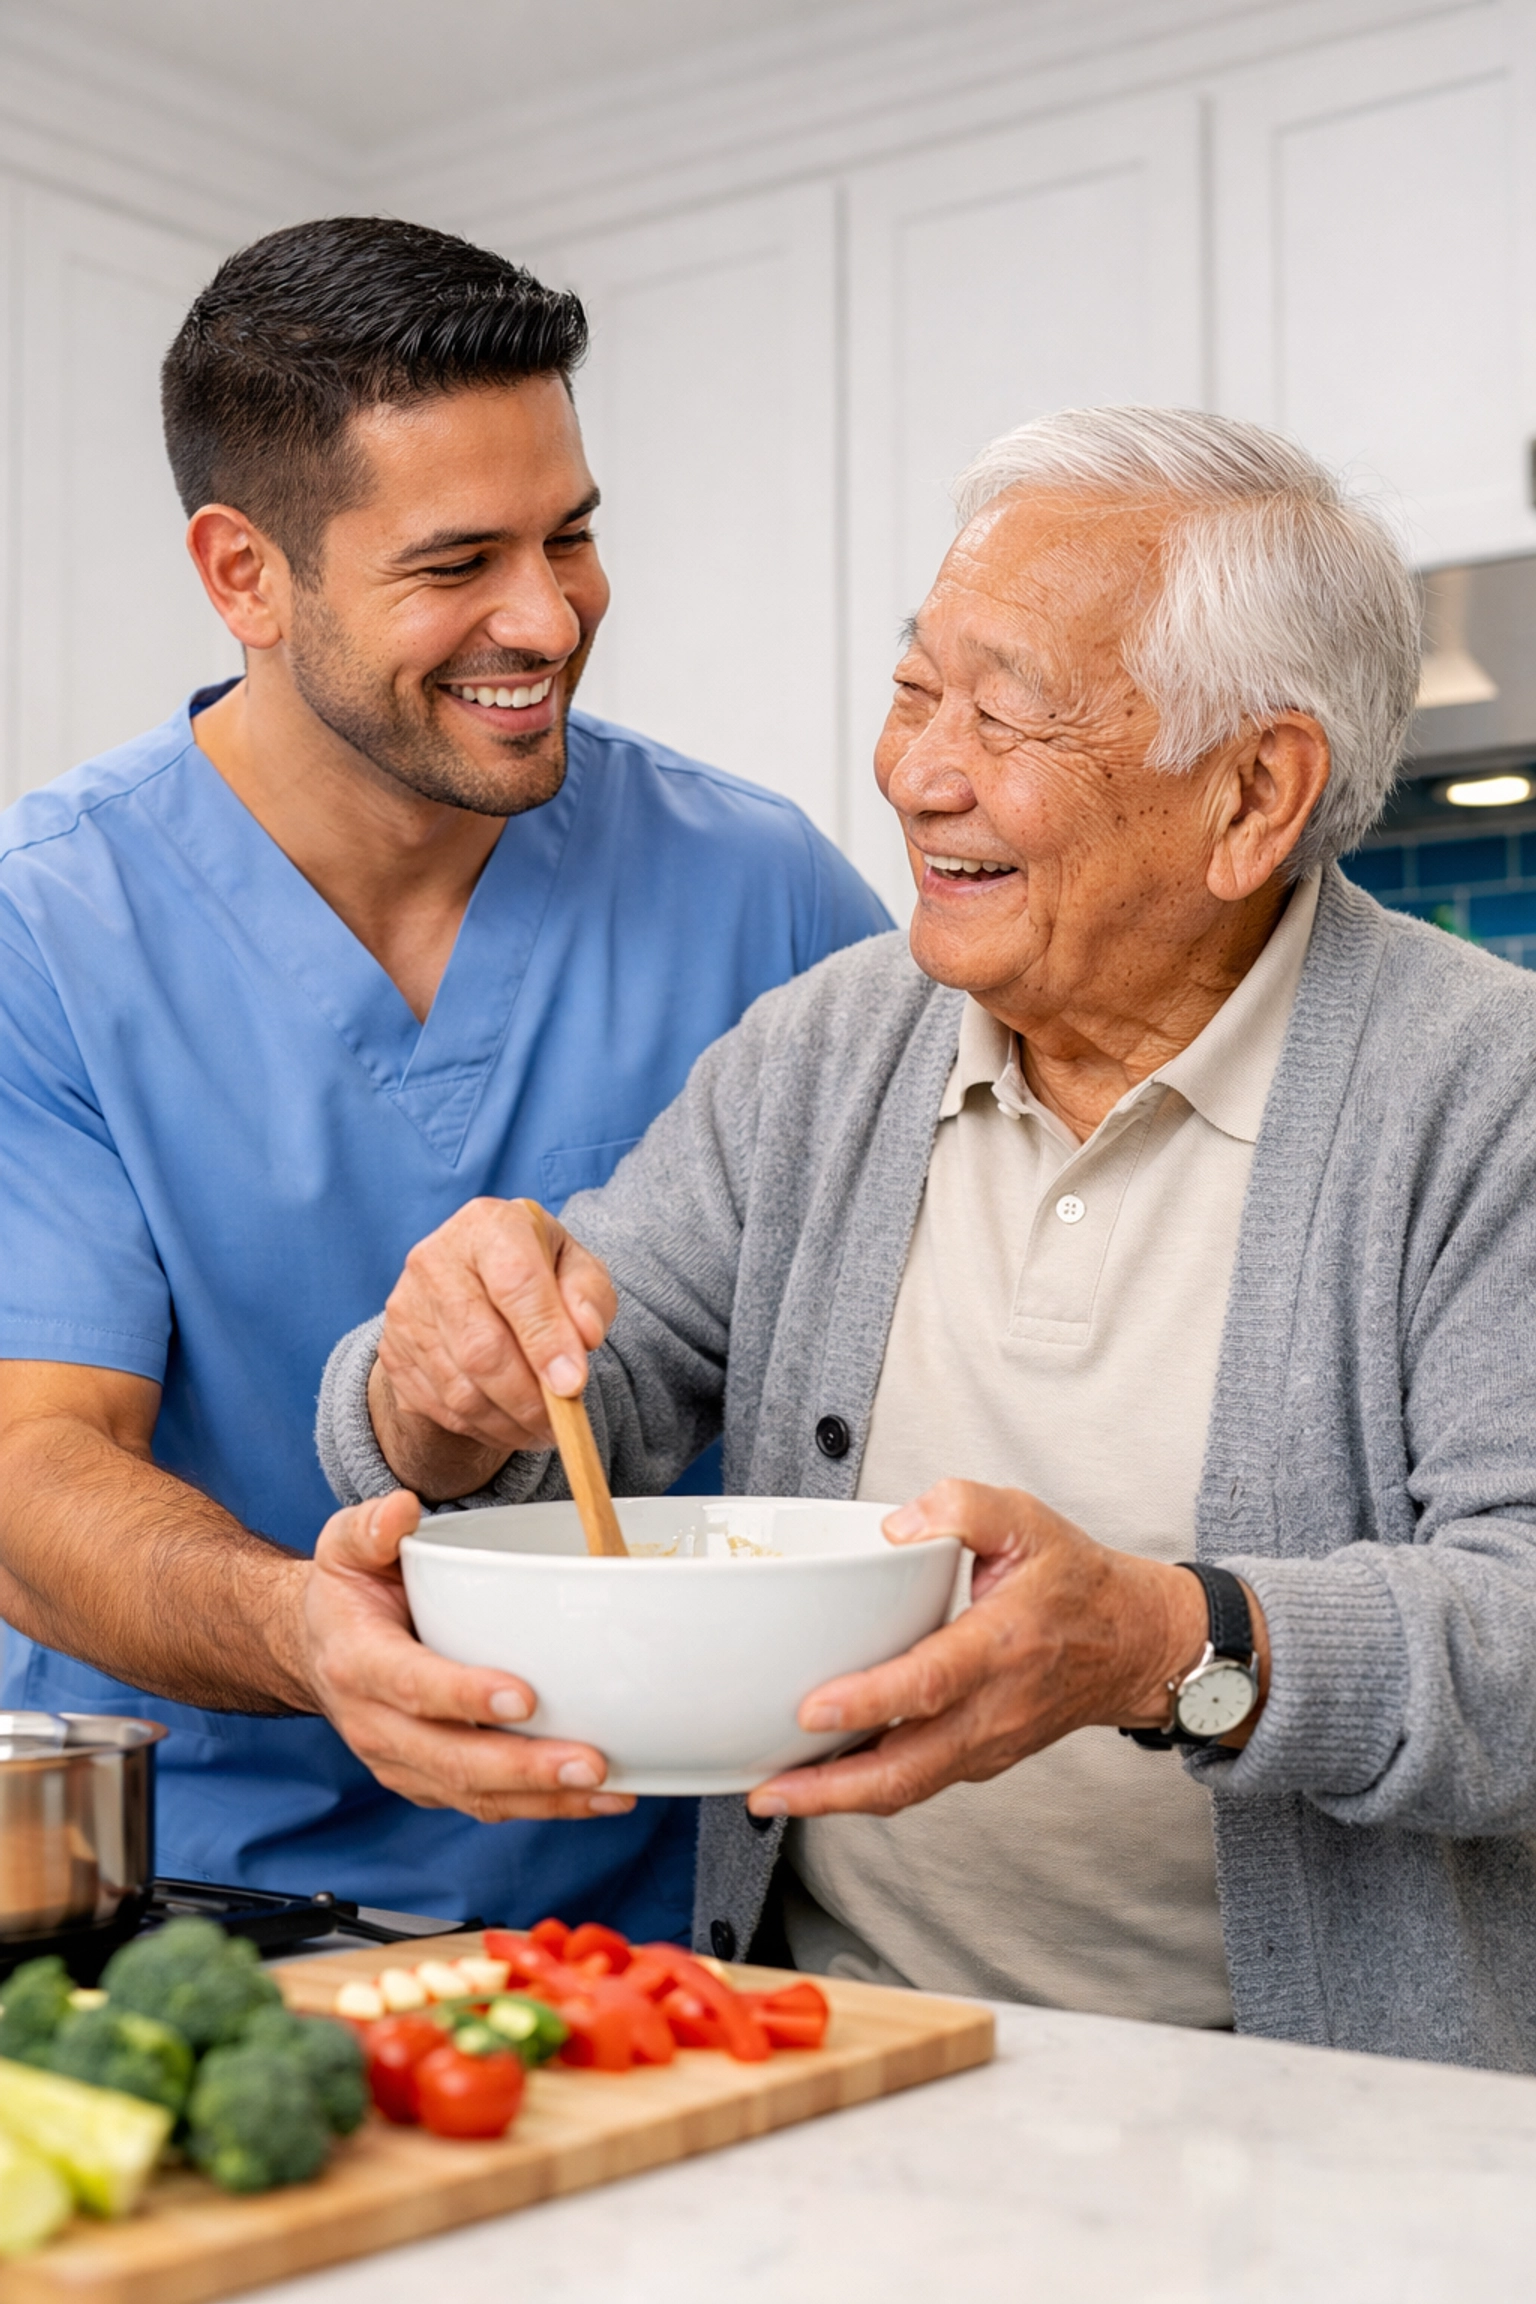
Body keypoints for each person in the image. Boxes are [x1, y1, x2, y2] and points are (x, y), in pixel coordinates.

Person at [322, 405, 1536, 2073]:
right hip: (841, 2046)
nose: (914, 771)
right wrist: (436, 1386)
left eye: (1008, 713)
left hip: (1296, 2096)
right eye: (914, 689)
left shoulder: (1485, 1095)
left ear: (1256, 793)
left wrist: (1169, 1645)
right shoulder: (834, 1044)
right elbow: (574, 1391)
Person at [0, 216, 888, 1938]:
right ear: (244, 573)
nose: (547, 616)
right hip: (201, 1895)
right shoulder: (47, 931)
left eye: (572, 535)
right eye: (457, 560)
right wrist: (309, 1636)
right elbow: (33, 1471)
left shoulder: (759, 883)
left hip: (676, 1898)